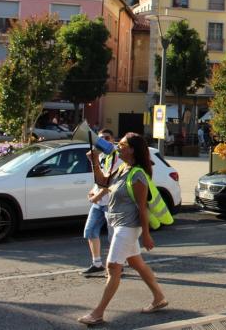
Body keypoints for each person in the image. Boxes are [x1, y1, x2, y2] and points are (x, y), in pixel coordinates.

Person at [79, 133, 167, 326]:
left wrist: (146, 234)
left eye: (122, 145)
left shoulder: (138, 175)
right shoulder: (122, 169)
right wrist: (94, 161)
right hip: (117, 224)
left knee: (112, 267)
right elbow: (103, 182)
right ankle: (159, 297)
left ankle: (98, 313)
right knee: (136, 263)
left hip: (128, 227)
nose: (118, 147)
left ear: (132, 149)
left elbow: (142, 207)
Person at [82, 129, 121, 276]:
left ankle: (118, 265)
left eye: (106, 138)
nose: (103, 141)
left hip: (111, 202)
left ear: (113, 139)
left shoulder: (118, 156)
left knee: (114, 237)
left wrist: (96, 197)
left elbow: (111, 183)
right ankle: (97, 263)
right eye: (100, 139)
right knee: (90, 231)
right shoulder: (103, 156)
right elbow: (99, 180)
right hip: (99, 202)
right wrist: (93, 190)